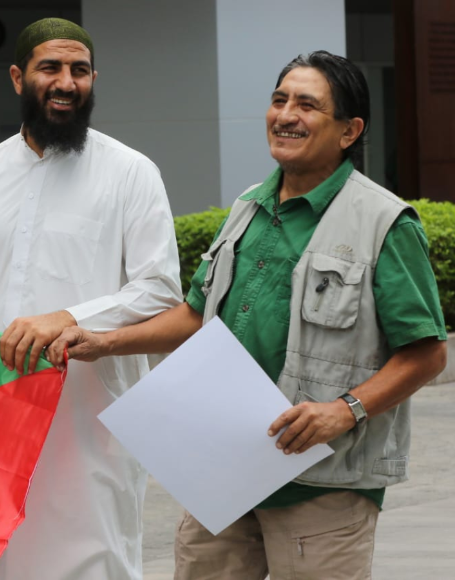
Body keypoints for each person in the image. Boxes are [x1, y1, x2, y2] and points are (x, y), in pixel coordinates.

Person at [47, 50, 447, 579]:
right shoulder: (247, 209)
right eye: (279, 99)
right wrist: (102, 341)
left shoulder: (384, 223)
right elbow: (196, 316)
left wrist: (345, 409)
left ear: (349, 131)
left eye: (307, 105)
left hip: (322, 480)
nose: (285, 115)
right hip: (221, 470)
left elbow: (427, 353)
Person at [0, 17, 182, 580]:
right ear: (18, 78)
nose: (66, 82)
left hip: (88, 420)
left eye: (79, 70)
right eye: (50, 68)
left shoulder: (131, 173)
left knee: (93, 559)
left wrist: (68, 318)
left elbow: (160, 289)